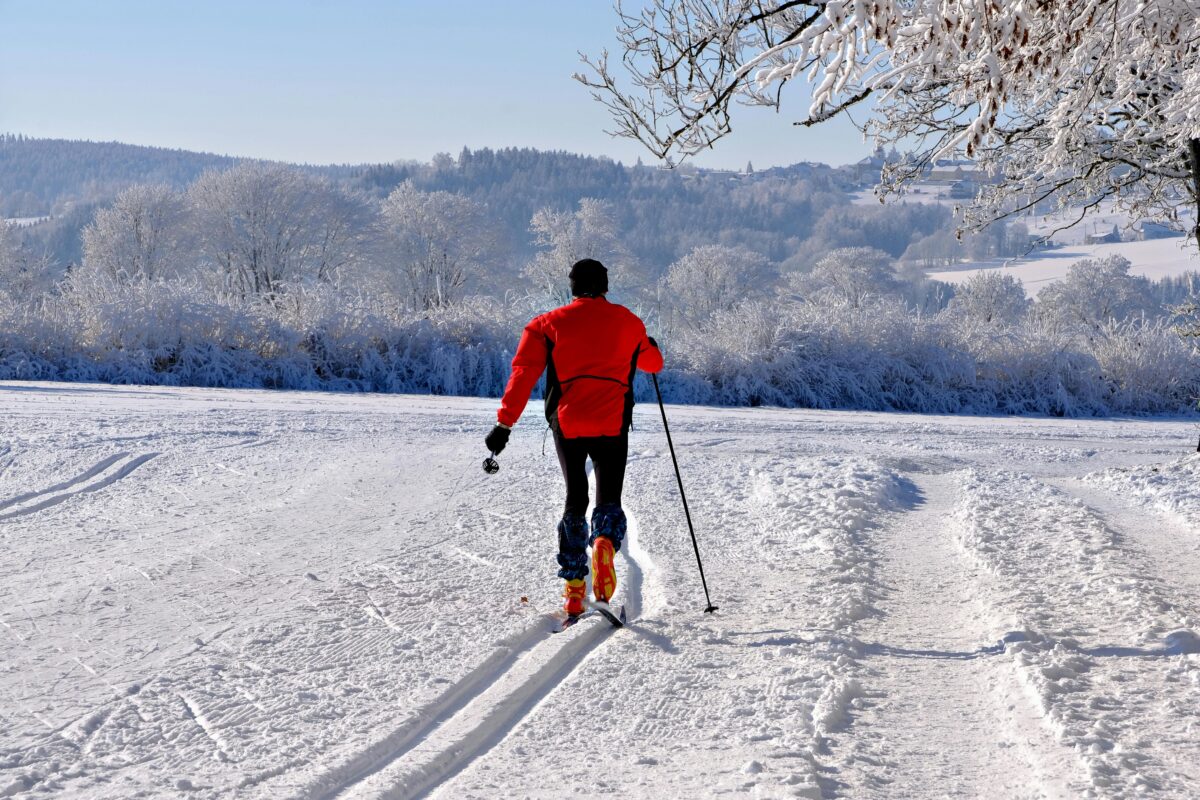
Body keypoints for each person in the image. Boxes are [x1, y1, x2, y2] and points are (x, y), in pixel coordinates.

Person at [485, 258, 663, 617]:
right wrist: (650, 346)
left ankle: (573, 589)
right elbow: (653, 364)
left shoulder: (546, 324)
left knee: (575, 497)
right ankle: (604, 543)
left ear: (573, 287)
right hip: (612, 421)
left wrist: (504, 425)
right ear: (606, 286)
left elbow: (523, 374)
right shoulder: (629, 322)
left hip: (568, 422)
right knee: (608, 498)